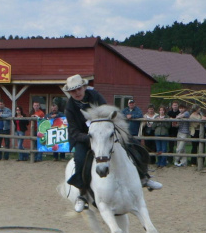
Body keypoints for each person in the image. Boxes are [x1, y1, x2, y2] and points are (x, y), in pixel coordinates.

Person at [63, 74, 162, 213]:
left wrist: (107, 131)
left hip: (104, 133)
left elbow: (108, 112)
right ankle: (82, 194)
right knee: (79, 160)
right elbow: (73, 131)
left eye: (78, 89)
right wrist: (90, 138)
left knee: (135, 144)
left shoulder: (95, 95)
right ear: (69, 92)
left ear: (84, 87)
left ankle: (144, 176)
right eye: (73, 91)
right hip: (84, 138)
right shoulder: (69, 108)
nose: (76, 92)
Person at [174, 102, 190, 167]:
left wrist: (177, 117)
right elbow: (178, 124)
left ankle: (176, 160)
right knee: (181, 148)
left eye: (182, 108)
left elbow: (181, 116)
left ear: (185, 109)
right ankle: (184, 162)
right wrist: (175, 125)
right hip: (179, 132)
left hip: (185, 132)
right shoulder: (178, 114)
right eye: (180, 108)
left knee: (179, 148)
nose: (181, 110)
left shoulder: (186, 113)